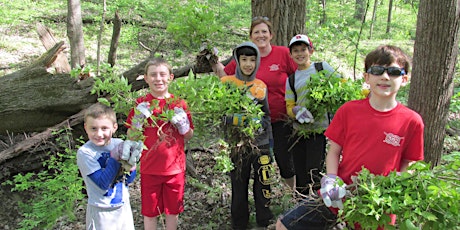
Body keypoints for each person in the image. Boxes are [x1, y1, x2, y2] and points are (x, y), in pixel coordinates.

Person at [276, 45, 424, 229]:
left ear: (404, 79)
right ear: (367, 77)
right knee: (284, 225)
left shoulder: (412, 121)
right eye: (377, 71)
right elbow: (334, 151)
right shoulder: (349, 110)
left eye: (393, 72)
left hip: (376, 207)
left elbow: (409, 164)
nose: (385, 77)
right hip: (339, 194)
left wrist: (391, 190)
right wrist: (331, 179)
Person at [210, 16, 298, 189]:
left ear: (271, 35)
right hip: (253, 122)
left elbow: (298, 76)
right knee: (256, 161)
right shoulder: (245, 57)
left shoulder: (283, 53)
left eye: (264, 31)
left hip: (281, 118)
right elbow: (226, 78)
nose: (261, 35)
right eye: (256, 32)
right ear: (251, 36)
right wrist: (215, 63)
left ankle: (292, 195)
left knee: (284, 159)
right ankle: (260, 198)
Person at [125, 58, 194, 230]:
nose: (158, 79)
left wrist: (183, 125)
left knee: (172, 211)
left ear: (170, 77)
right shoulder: (140, 104)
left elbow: (189, 135)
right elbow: (131, 136)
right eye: (153, 75)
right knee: (150, 212)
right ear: (146, 78)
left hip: (175, 168)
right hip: (150, 168)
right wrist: (137, 121)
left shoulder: (179, 103)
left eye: (163, 74)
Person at [220, 41, 275, 229]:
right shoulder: (226, 83)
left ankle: (264, 221)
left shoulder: (260, 86)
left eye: (252, 60)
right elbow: (220, 114)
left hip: (261, 144)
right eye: (244, 59)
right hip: (237, 144)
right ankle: (240, 223)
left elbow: (266, 115)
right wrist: (237, 120)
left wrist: (259, 125)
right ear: (237, 60)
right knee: (238, 184)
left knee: (263, 183)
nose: (248, 64)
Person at [285, 34, 339, 195]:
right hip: (299, 132)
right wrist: (296, 112)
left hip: (318, 131)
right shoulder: (292, 79)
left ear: (311, 51)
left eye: (303, 49)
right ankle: (300, 203)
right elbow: (289, 105)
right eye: (296, 51)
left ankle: (316, 204)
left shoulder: (322, 68)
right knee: (300, 171)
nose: (300, 54)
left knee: (314, 170)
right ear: (291, 54)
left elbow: (340, 87)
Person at [77, 103, 142, 230]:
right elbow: (103, 183)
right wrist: (114, 157)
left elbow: (128, 180)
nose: (99, 134)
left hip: (123, 208)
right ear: (86, 128)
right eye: (93, 128)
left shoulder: (119, 143)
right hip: (101, 211)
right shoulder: (85, 152)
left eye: (104, 128)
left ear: (114, 127)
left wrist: (132, 165)